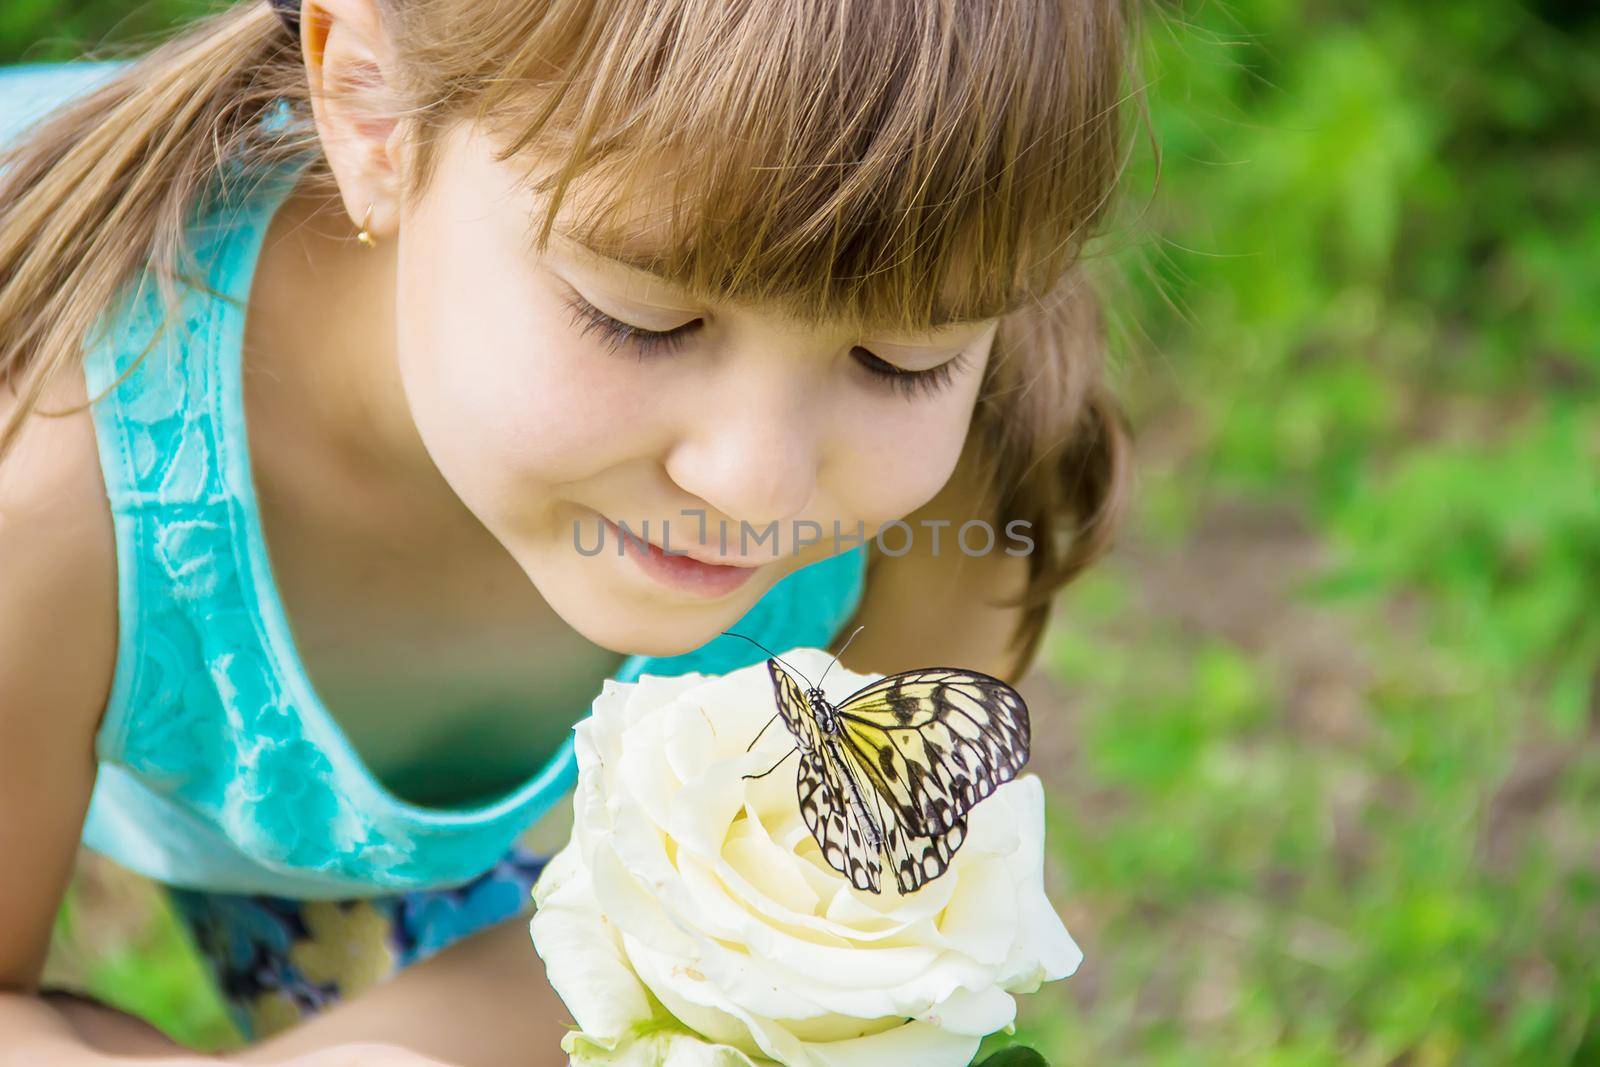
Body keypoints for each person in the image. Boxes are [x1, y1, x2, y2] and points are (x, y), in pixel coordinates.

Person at [0, 0, 1135, 1062]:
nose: (754, 485)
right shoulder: (51, 467)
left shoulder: (981, 448)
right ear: (372, 114)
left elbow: (837, 907)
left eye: (902, 361)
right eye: (645, 319)